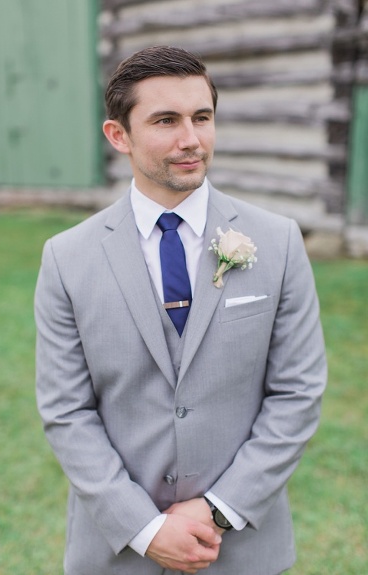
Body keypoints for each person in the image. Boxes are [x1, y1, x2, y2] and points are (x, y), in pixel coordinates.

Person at [34, 45, 327, 574]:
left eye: (202, 118)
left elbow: (298, 391)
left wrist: (218, 511)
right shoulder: (66, 258)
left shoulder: (278, 242)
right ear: (118, 135)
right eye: (166, 121)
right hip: (117, 553)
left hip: (241, 551)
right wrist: (145, 530)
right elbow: (66, 410)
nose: (190, 139)